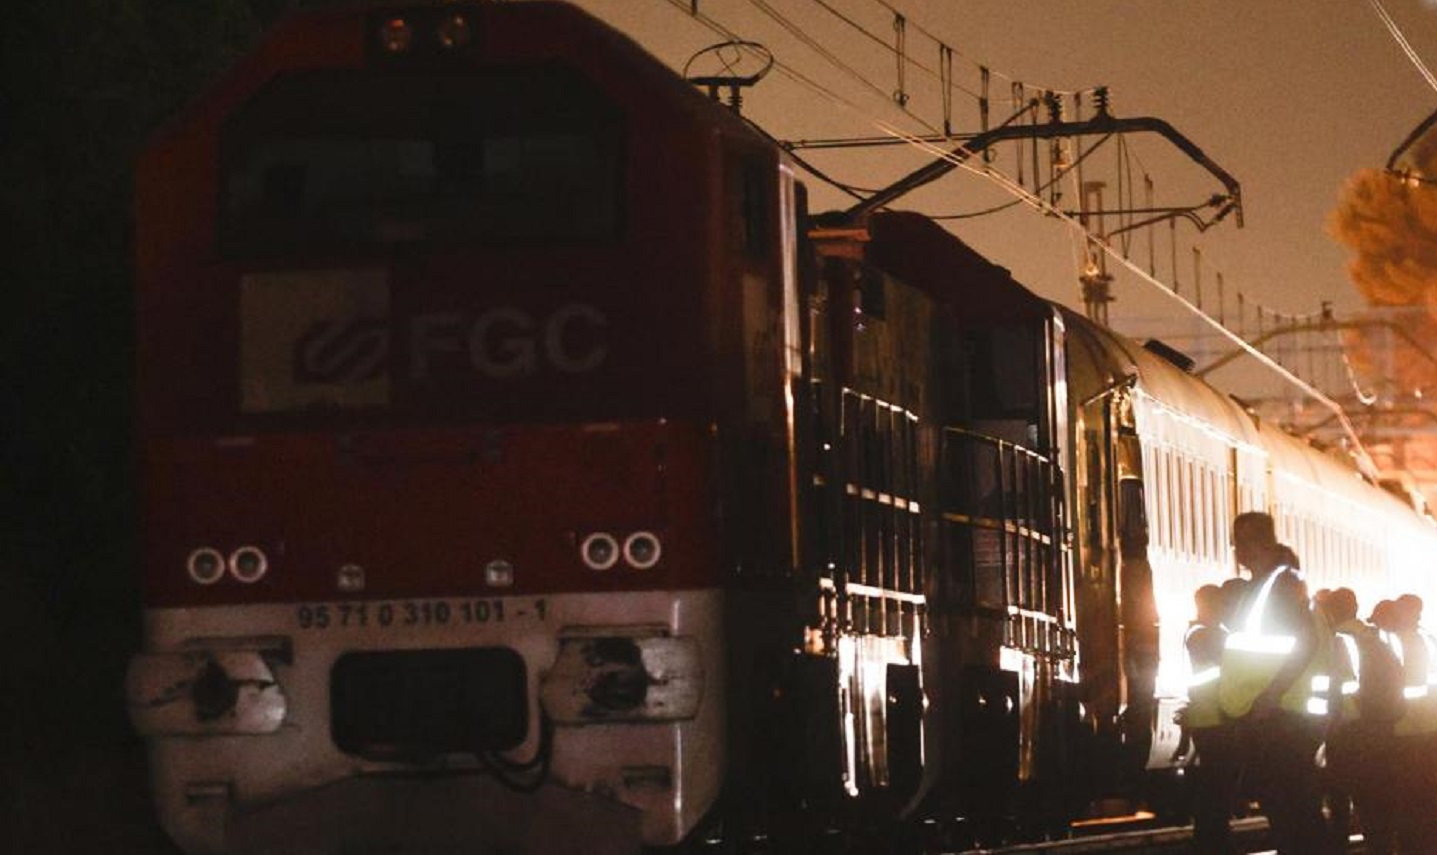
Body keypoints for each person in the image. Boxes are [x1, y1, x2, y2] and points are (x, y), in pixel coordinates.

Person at [1218, 512, 1330, 855]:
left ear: (1265, 542)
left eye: (1247, 540)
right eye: (1237, 540)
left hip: (1283, 714)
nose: (1240, 548)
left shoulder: (1280, 585)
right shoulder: (1261, 587)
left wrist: (1271, 694)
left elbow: (1305, 641)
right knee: (1286, 807)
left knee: (1292, 806)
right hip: (1269, 713)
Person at [1317, 587, 1403, 855]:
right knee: (1375, 801)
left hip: (1348, 732)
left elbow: (1332, 690)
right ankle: (1382, 848)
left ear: (1331, 612)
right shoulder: (1380, 638)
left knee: (1340, 799)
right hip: (1382, 728)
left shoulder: (1335, 642)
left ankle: (1339, 848)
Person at [1184, 583, 1240, 854]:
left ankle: (1213, 839)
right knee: (1217, 787)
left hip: (1213, 719)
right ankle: (1214, 841)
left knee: (1217, 786)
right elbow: (1227, 669)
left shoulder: (1211, 633)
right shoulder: (1203, 635)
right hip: (1214, 720)